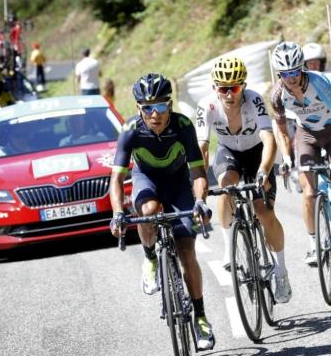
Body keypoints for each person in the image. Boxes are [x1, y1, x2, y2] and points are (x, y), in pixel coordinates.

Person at [109, 73, 215, 350]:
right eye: (147, 107)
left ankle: (201, 317)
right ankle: (150, 259)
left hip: (178, 183)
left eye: (160, 106)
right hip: (147, 181)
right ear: (138, 108)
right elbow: (117, 180)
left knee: (187, 251)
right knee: (148, 211)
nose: (154, 114)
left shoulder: (182, 126)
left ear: (170, 104)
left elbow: (198, 171)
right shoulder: (130, 130)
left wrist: (201, 200)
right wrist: (118, 213)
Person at [195, 56, 292, 303]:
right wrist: (199, 185)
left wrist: (263, 170)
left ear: (243, 86)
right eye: (223, 88)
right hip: (229, 153)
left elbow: (269, 140)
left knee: (263, 211)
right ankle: (229, 247)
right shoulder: (206, 107)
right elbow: (202, 150)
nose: (229, 94)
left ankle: (281, 270)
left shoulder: (254, 100)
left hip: (257, 154)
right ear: (214, 87)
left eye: (235, 87)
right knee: (225, 185)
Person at [271, 41, 331, 266]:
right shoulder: (278, 95)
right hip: (307, 134)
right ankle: (313, 244)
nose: (291, 78)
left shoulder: (320, 84)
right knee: (309, 193)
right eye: (285, 73)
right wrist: (286, 158)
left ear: (301, 67)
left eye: (295, 71)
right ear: (279, 73)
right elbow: (280, 128)